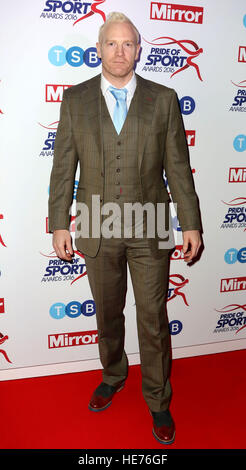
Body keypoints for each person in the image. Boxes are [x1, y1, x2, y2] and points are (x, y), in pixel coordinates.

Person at [48, 12, 202, 445]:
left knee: (152, 317)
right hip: (96, 221)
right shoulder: (75, 100)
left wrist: (190, 222)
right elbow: (63, 168)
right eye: (111, 44)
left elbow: (178, 167)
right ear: (98, 49)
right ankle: (113, 374)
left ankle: (157, 399)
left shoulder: (164, 98)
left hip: (150, 224)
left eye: (128, 44)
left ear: (139, 49)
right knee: (108, 314)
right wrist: (58, 223)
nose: (120, 52)